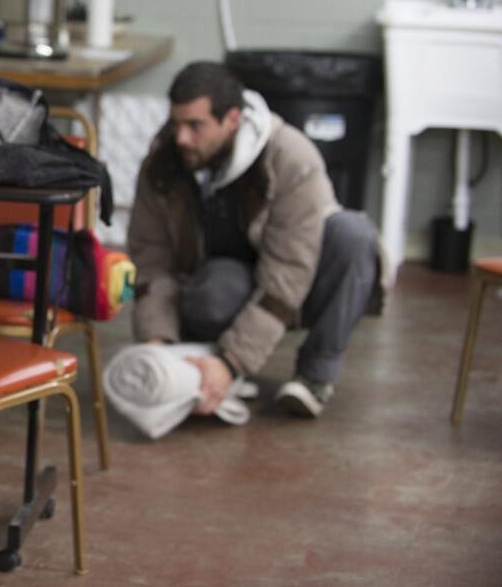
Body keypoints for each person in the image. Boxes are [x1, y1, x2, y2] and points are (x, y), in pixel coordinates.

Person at [128, 61, 383, 420]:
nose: (181, 137)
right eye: (176, 123)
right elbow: (150, 258)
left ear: (232, 118)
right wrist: (158, 345)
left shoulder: (290, 157)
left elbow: (288, 271)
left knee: (354, 236)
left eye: (195, 125)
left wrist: (232, 362)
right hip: (221, 282)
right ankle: (200, 357)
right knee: (211, 293)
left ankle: (314, 377)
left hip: (295, 282)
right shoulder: (164, 164)